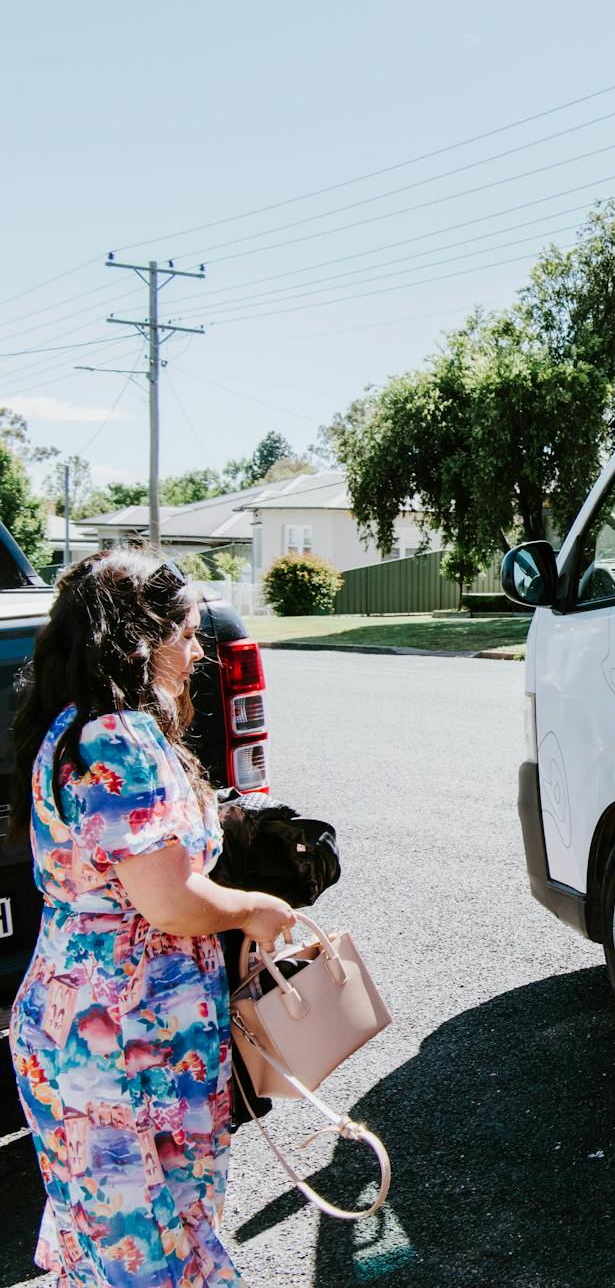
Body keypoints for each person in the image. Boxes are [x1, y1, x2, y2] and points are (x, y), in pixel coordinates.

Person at [7, 550, 295, 1286]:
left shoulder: (71, 729)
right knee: (152, 1241)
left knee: (116, 1228)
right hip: (126, 1036)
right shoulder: (116, 740)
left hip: (81, 1018)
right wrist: (254, 909)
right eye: (188, 634)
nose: (199, 652)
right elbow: (165, 899)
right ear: (141, 636)